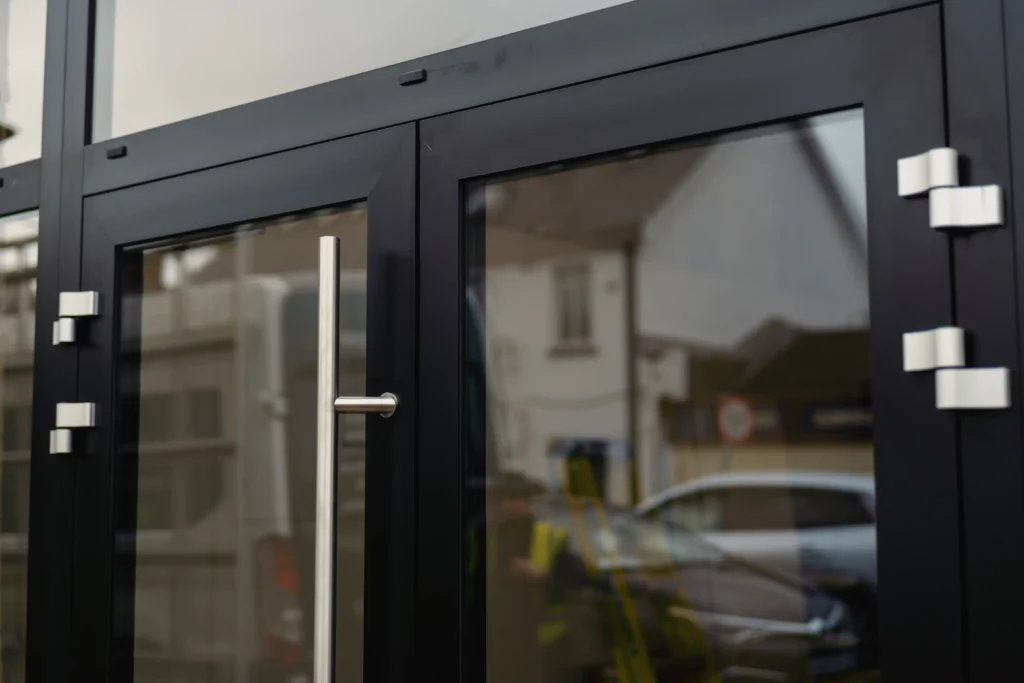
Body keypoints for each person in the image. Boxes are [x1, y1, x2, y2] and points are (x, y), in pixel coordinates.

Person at [466, 471, 581, 683]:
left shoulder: (550, 536)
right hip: (490, 635)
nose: (508, 504)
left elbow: (573, 583)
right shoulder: (480, 532)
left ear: (528, 500)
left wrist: (542, 576)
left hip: (537, 638)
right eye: (503, 498)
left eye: (515, 497)